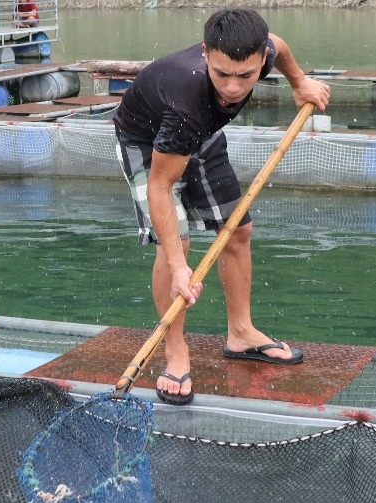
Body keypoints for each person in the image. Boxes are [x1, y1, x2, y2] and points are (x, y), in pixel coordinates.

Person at [111, 8, 330, 405]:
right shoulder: (185, 101)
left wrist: (299, 83)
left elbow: (278, 44)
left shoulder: (260, 53)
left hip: (201, 135)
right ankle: (175, 349)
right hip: (147, 142)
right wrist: (179, 268)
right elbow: (161, 187)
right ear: (206, 53)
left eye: (245, 76)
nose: (232, 88)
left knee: (238, 230)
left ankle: (241, 332)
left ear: (258, 61)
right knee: (175, 241)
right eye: (222, 74)